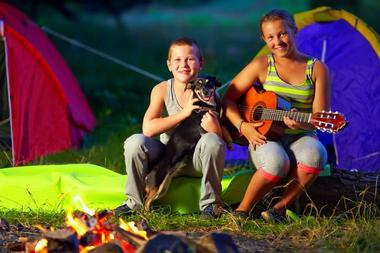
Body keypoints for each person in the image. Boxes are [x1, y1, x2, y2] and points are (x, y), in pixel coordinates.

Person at [223, 9, 330, 222]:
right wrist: (243, 126)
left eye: (283, 34)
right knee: (277, 162)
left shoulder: (317, 69)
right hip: (263, 134)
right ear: (264, 39)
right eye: (270, 37)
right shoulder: (262, 65)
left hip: (300, 135)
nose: (277, 41)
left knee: (317, 154)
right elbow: (228, 100)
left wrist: (300, 122)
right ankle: (241, 212)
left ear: (294, 31)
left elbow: (319, 119)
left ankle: (278, 208)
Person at [115, 37, 225, 219]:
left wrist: (216, 130)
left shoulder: (211, 93)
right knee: (135, 142)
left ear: (201, 63)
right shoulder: (162, 90)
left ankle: (210, 206)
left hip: (197, 160)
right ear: (169, 64)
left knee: (212, 140)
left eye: (190, 59)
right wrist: (185, 113)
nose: (184, 64)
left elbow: (223, 136)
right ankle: (134, 203)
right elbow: (148, 129)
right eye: (178, 60)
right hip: (168, 155)